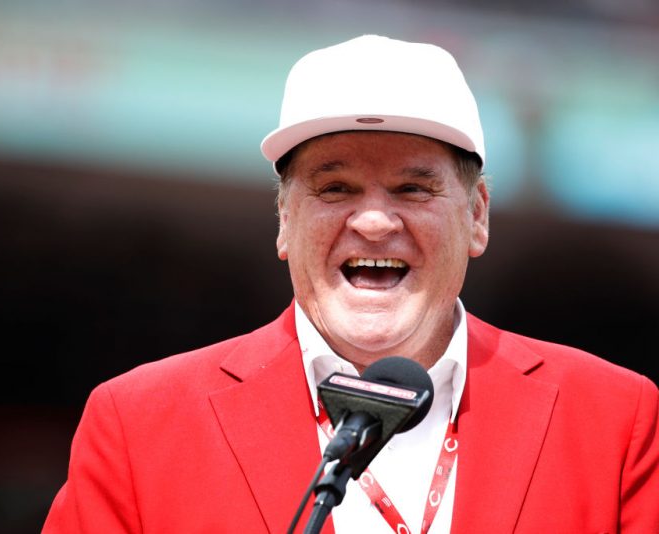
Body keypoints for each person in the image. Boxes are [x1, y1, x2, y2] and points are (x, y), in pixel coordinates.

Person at [43, 35, 659, 533]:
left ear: (477, 216)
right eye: (334, 188)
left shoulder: (616, 420)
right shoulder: (139, 423)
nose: (372, 221)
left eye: (412, 189)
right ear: (284, 221)